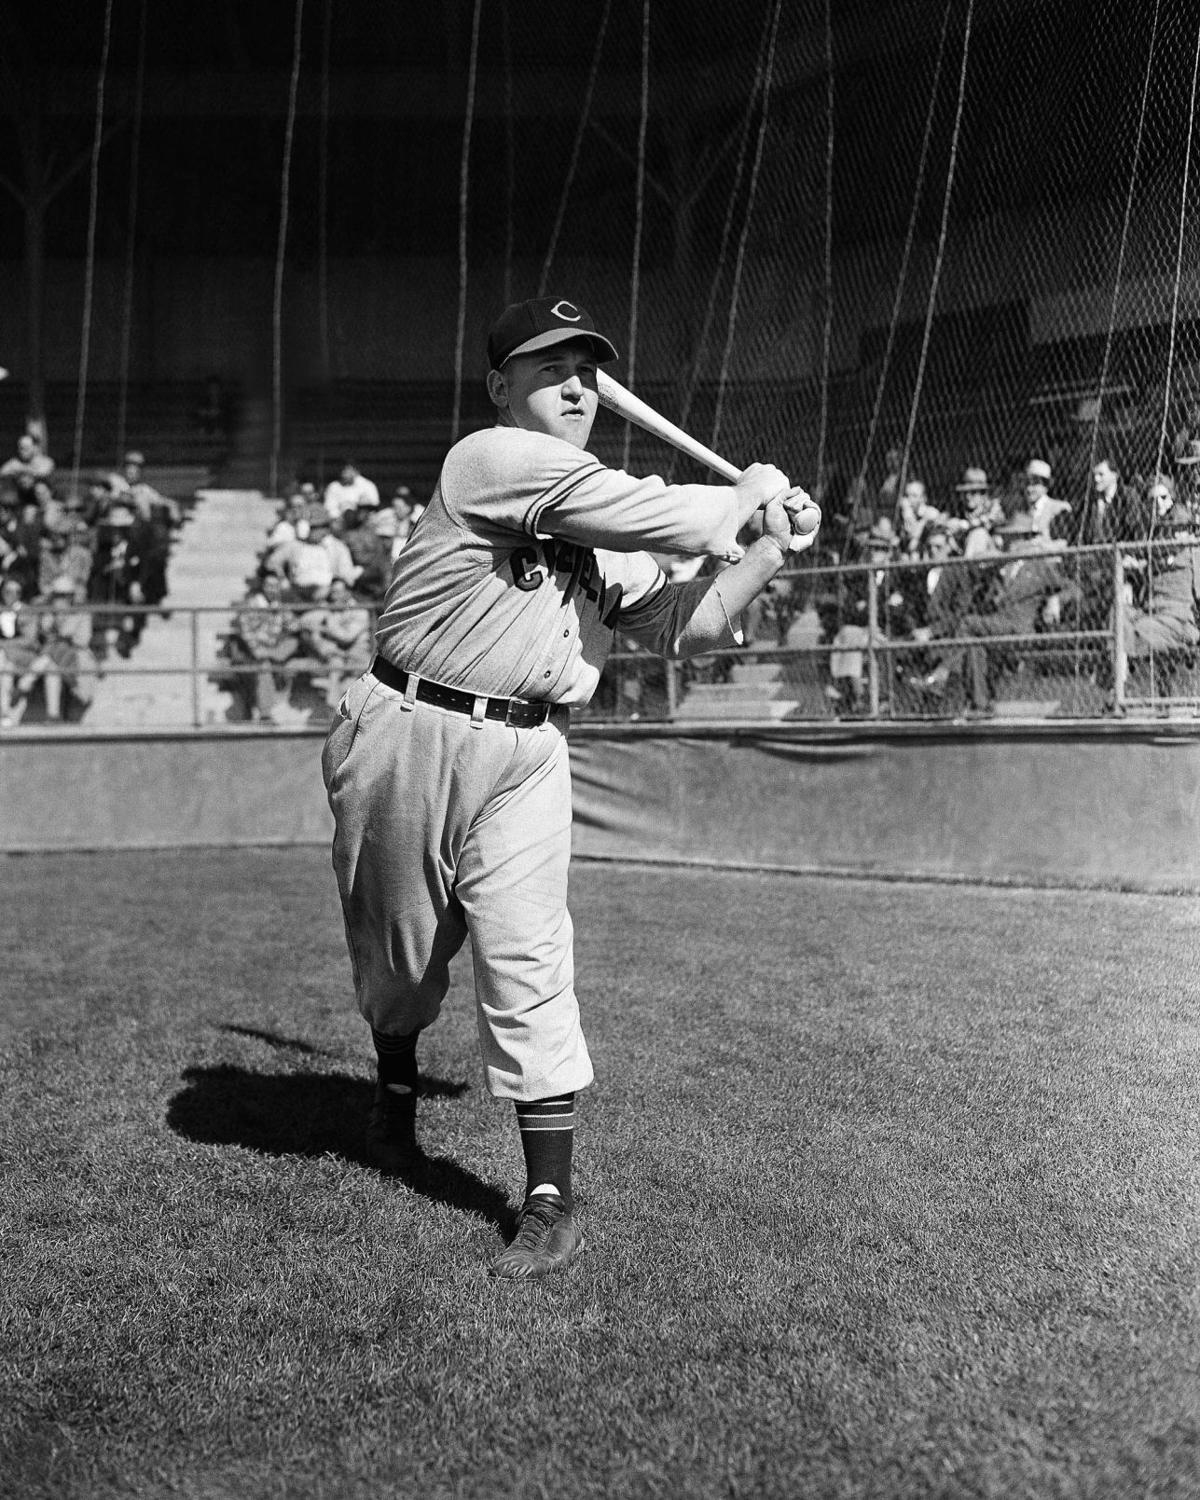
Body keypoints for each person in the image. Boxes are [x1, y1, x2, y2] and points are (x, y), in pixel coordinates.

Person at [321, 296, 819, 1279]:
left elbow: (689, 629)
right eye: (553, 370)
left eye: (588, 371)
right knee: (400, 964)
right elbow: (652, 507)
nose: (580, 387)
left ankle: (549, 1196)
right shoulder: (488, 462)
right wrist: (744, 492)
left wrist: (766, 546)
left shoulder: (594, 528)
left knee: (530, 958)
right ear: (502, 387)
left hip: (528, 755)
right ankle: (394, 1092)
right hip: (408, 732)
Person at [920, 511, 1066, 714]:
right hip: (997, 626)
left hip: (1020, 628)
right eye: (1006, 537)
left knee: (969, 623)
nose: (1006, 542)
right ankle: (980, 705)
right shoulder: (1000, 568)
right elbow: (978, 578)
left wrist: (1054, 600)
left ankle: (942, 674)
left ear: (1023, 539)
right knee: (973, 646)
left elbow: (1068, 588)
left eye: (1011, 538)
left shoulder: (1038, 565)